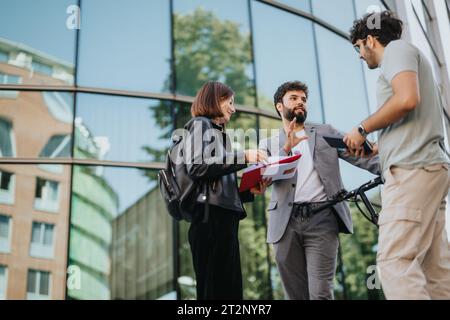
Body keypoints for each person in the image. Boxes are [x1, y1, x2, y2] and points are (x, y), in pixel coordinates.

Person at [344, 11, 450, 299]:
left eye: (358, 47)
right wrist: (380, 145)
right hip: (428, 169)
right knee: (435, 270)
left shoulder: (397, 50)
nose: (359, 55)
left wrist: (362, 128)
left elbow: (406, 99)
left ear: (370, 40)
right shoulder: (409, 56)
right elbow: (410, 111)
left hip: (412, 172)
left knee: (395, 262)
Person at [259, 81, 380, 300]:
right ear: (280, 106)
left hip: (322, 218)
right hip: (285, 224)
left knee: (320, 294)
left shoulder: (325, 132)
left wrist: (393, 167)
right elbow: (265, 176)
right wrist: (287, 147)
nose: (300, 103)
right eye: (294, 98)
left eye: (303, 100)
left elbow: (360, 156)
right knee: (296, 296)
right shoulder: (268, 144)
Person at [183, 81, 269, 300]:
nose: (233, 108)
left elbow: (218, 187)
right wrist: (245, 157)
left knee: (227, 291)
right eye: (230, 102)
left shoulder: (219, 135)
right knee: (217, 291)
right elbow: (197, 166)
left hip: (220, 220)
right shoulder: (201, 124)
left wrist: (248, 191)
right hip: (210, 220)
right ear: (215, 100)